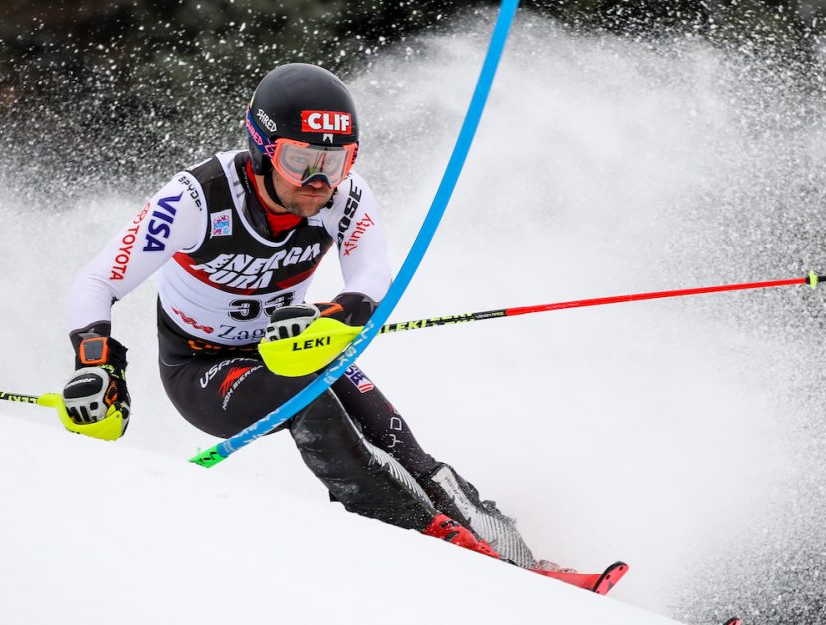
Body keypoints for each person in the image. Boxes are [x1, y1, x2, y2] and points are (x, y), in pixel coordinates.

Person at [58, 62, 539, 567]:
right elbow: (98, 280)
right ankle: (425, 542)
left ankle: (515, 555)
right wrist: (98, 364)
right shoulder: (195, 201)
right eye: (300, 161)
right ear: (262, 150)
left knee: (396, 439)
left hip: (289, 347)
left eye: (335, 163)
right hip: (201, 367)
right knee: (308, 400)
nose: (317, 180)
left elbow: (373, 275)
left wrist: (336, 313)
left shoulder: (344, 195)